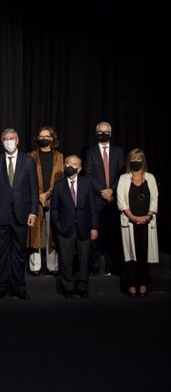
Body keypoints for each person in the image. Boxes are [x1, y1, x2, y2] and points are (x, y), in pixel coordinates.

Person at [0, 128, 38, 300]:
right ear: (2, 141)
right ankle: (0, 287)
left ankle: (19, 287)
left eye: (11, 138)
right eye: (5, 138)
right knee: (0, 254)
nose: (9, 141)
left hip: (22, 214)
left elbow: (34, 190)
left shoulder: (28, 161)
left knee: (20, 254)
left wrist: (33, 212)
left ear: (17, 140)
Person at [50, 155, 98, 298]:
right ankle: (68, 288)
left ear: (80, 168)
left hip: (84, 227)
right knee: (66, 260)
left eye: (74, 164)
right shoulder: (59, 185)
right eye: (68, 163)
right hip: (65, 229)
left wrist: (94, 227)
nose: (70, 166)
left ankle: (83, 287)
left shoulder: (87, 183)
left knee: (84, 260)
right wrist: (59, 227)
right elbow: (54, 210)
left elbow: (93, 208)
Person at [84, 122, 125, 276]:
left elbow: (121, 173)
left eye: (106, 131)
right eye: (100, 132)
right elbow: (88, 174)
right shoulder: (90, 152)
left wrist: (111, 189)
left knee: (114, 234)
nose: (103, 134)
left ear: (111, 133)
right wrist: (102, 191)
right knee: (96, 235)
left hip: (114, 198)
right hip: (97, 198)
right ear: (96, 133)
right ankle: (94, 267)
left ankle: (114, 266)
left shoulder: (119, 152)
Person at [116, 149, 159, 298]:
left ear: (143, 160)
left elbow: (155, 198)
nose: (136, 161)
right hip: (130, 222)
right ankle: (131, 284)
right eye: (133, 159)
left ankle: (143, 283)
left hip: (147, 222)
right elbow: (121, 200)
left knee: (144, 255)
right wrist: (132, 217)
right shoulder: (123, 178)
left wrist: (148, 216)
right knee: (131, 257)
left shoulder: (150, 178)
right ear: (129, 161)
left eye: (138, 158)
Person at [27, 126, 64, 276]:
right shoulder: (30, 156)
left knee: (52, 231)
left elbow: (61, 178)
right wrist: (39, 195)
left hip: (53, 198)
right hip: (35, 198)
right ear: (37, 138)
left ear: (52, 138)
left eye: (47, 136)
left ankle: (52, 265)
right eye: (41, 136)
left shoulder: (59, 156)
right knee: (34, 232)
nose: (44, 138)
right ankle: (35, 266)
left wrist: (48, 194)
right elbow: (28, 179)